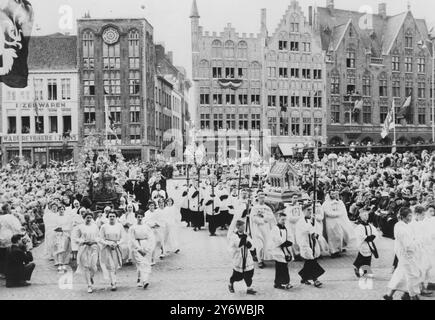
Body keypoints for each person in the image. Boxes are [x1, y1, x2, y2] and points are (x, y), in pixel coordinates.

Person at [384, 207, 422, 300]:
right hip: (406, 255)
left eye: (411, 215)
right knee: (412, 275)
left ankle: (389, 295)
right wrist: (417, 243)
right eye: (409, 216)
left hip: (406, 255)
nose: (411, 218)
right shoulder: (400, 227)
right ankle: (413, 296)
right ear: (402, 217)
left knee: (401, 274)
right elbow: (408, 245)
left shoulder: (405, 225)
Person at [296, 203, 325, 288]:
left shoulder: (312, 219)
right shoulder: (301, 221)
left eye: (311, 210)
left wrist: (316, 232)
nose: (310, 211)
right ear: (303, 211)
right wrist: (312, 228)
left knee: (310, 262)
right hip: (305, 243)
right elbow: (306, 230)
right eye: (308, 210)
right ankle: (315, 279)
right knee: (312, 261)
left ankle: (303, 276)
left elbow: (317, 229)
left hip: (313, 242)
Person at [228, 220, 257, 295]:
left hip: (247, 257)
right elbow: (238, 245)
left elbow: (251, 245)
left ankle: (248, 287)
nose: (244, 228)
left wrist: (249, 244)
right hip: (239, 257)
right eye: (242, 226)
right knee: (237, 275)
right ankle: (231, 284)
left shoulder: (246, 234)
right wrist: (243, 240)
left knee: (249, 272)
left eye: (244, 226)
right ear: (238, 227)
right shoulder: (234, 236)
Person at [322, 191, 355, 258]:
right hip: (330, 221)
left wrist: (337, 214)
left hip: (338, 221)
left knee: (339, 235)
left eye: (334, 194)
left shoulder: (339, 202)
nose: (333, 195)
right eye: (332, 194)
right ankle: (333, 251)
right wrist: (335, 214)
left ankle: (338, 250)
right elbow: (327, 212)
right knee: (331, 237)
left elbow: (341, 211)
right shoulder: (326, 203)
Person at [129, 210, 156, 289]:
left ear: (143, 217)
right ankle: (144, 280)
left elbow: (151, 238)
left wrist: (147, 249)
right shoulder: (133, 227)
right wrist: (139, 249)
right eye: (138, 217)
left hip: (146, 245)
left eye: (141, 217)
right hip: (137, 245)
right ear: (136, 217)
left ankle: (141, 278)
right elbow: (132, 239)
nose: (140, 218)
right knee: (140, 262)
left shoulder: (146, 227)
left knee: (146, 263)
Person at [250, 192, 276, 268]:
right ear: (258, 198)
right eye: (260, 197)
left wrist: (264, 218)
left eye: (263, 197)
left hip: (266, 228)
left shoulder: (267, 208)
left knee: (266, 244)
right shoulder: (255, 208)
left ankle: (264, 257)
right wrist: (261, 220)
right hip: (258, 228)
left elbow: (271, 217)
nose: (262, 199)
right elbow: (253, 218)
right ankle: (259, 260)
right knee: (259, 245)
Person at [76, 211, 99, 294]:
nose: (89, 219)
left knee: (93, 267)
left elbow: (98, 236)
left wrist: (94, 241)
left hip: (93, 247)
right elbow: (76, 238)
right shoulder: (80, 227)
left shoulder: (95, 226)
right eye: (87, 217)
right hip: (84, 248)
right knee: (86, 266)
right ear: (84, 218)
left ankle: (91, 276)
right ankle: (89, 285)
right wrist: (84, 241)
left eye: (90, 217)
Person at [99, 211, 124, 291]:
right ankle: (113, 282)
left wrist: (117, 243)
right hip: (107, 247)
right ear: (108, 217)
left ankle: (114, 278)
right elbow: (100, 238)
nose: (112, 218)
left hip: (116, 247)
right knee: (111, 265)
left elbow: (123, 237)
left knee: (115, 265)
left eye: (113, 216)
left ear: (116, 217)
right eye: (110, 216)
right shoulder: (104, 226)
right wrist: (107, 243)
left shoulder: (119, 226)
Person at [270, 213, 293, 290]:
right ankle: (283, 282)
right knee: (281, 266)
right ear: (278, 219)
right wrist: (284, 243)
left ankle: (278, 283)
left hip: (284, 249)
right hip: (278, 249)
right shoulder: (275, 228)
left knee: (283, 266)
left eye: (284, 219)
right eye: (282, 219)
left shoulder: (285, 228)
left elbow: (289, 236)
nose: (284, 221)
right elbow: (277, 239)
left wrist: (289, 241)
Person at [353, 210, 378, 278]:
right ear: (360, 217)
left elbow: (374, 232)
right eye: (364, 215)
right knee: (362, 257)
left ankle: (366, 271)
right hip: (363, 244)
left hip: (369, 243)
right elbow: (359, 235)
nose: (366, 216)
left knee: (368, 257)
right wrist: (366, 238)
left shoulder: (370, 226)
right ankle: (357, 268)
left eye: (367, 215)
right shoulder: (360, 227)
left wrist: (373, 236)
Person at [53, 204, 73, 272]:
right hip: (58, 234)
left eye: (62, 209)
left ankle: (64, 263)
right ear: (58, 210)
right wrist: (57, 229)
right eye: (60, 209)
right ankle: (59, 264)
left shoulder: (67, 218)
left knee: (65, 249)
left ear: (64, 210)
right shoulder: (56, 217)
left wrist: (64, 229)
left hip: (65, 234)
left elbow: (69, 226)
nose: (61, 210)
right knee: (59, 249)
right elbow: (54, 226)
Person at [284, 196, 303, 261]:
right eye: (294, 198)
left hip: (298, 226)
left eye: (296, 198)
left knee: (298, 239)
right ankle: (294, 254)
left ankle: (299, 253)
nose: (295, 199)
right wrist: (298, 218)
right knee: (293, 240)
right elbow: (290, 218)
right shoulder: (288, 208)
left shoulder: (299, 207)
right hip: (291, 226)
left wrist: (299, 218)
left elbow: (302, 216)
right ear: (291, 199)